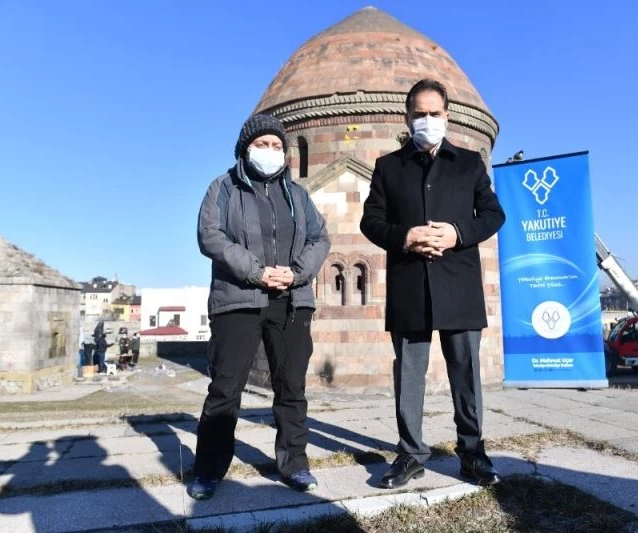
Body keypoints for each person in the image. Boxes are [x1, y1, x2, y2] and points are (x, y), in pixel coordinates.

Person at [360, 79, 506, 489]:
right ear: (407, 117)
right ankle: (411, 453)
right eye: (419, 114)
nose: (427, 120)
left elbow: (493, 215)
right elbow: (370, 221)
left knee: (466, 372)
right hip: (410, 284)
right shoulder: (389, 166)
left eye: (434, 113)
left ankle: (472, 453)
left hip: (458, 283)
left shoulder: (469, 164)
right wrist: (404, 237)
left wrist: (457, 234)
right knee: (409, 373)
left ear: (447, 115)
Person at [191, 113, 331, 500]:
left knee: (291, 387)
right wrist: (257, 272)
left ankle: (294, 464)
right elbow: (210, 236)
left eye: (276, 145)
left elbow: (320, 238)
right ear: (244, 149)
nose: (269, 151)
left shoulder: (298, 195)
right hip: (238, 299)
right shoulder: (223, 188)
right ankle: (208, 469)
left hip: (291, 300)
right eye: (261, 144)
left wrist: (296, 273)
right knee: (225, 388)